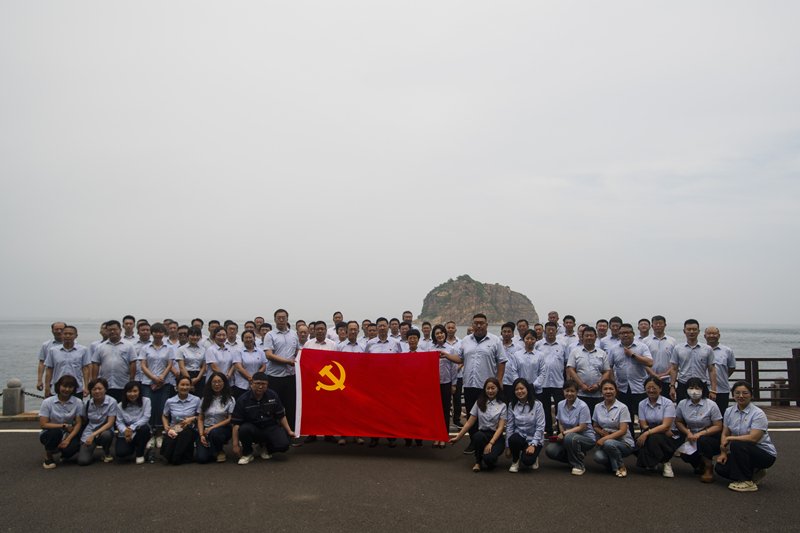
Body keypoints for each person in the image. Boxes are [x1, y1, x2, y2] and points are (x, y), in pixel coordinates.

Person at [440, 314, 506, 454]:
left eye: (482, 323)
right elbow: (460, 358)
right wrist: (446, 355)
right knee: (472, 414)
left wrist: (499, 380)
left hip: (487, 386)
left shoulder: (495, 341)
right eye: (476, 323)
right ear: (472, 324)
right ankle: (473, 442)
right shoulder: (466, 341)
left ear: (486, 325)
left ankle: (489, 441)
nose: (479, 326)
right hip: (470, 384)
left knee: (487, 414)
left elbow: (501, 361)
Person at [716, 381, 778, 492]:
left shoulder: (758, 414)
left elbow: (753, 438)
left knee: (737, 444)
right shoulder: (729, 411)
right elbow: (725, 433)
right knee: (720, 468)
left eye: (745, 393)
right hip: (743, 452)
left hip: (764, 454)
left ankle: (747, 481)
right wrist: (723, 453)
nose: (741, 396)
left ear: (751, 395)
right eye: (737, 393)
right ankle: (755, 471)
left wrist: (730, 439)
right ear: (733, 395)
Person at [231, 372, 296, 465]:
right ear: (251, 384)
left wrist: (289, 431)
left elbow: (281, 416)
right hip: (252, 428)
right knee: (244, 429)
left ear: (267, 385)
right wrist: (235, 445)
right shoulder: (243, 399)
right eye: (257, 383)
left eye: (263, 384)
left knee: (284, 445)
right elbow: (236, 423)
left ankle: (264, 447)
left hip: (270, 426)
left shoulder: (273, 395)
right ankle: (247, 453)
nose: (260, 387)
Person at [450, 378, 507, 472]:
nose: (490, 391)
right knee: (478, 436)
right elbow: (469, 422)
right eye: (488, 388)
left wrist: (491, 443)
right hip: (482, 434)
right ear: (484, 389)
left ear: (498, 389)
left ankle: (491, 459)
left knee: (489, 460)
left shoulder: (502, 405)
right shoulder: (479, 402)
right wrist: (457, 438)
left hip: (496, 437)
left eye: (493, 388)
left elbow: (500, 428)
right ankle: (478, 462)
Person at [606, 323, 653, 435]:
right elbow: (609, 366)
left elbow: (649, 362)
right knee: (626, 417)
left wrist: (633, 355)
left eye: (628, 332)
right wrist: (614, 384)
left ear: (633, 334)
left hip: (640, 388)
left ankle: (645, 438)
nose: (625, 335)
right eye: (622, 333)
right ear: (619, 335)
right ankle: (630, 439)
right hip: (622, 388)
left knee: (643, 416)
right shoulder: (614, 349)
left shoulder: (642, 347)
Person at [675, 377, 723, 483]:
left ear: (703, 389)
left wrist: (701, 433)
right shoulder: (682, 404)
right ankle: (701, 463)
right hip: (693, 437)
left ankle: (709, 468)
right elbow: (678, 421)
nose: (694, 391)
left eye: (697, 388)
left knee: (702, 440)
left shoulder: (711, 405)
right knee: (684, 455)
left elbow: (718, 426)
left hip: (711, 437)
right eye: (691, 388)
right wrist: (688, 433)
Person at [545, 379, 596, 475]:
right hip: (568, 437)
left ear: (577, 392)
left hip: (586, 438)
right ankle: (576, 456)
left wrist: (564, 433)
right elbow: (560, 422)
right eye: (567, 391)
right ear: (563, 391)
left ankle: (579, 465)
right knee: (550, 451)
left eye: (572, 391)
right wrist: (562, 433)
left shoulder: (583, 406)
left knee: (570, 438)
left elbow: (582, 427)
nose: (569, 393)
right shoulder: (560, 404)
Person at [264, 309, 300, 439]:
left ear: (287, 319)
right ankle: (273, 435)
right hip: (275, 377)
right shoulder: (270, 335)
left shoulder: (294, 334)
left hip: (290, 376)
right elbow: (268, 355)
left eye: (283, 318)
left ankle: (291, 434)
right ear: (274, 319)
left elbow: (297, 352)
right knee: (272, 406)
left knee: (291, 407)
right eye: (278, 318)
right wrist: (287, 362)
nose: (281, 320)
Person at [635, 377, 682, 477]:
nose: (651, 390)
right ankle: (653, 461)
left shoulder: (668, 403)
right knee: (637, 444)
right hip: (660, 433)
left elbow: (666, 426)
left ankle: (666, 462)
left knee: (654, 437)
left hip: (669, 437)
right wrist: (657, 430)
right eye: (648, 388)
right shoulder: (642, 404)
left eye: (654, 388)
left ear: (660, 389)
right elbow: (643, 425)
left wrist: (647, 433)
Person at [592, 379, 635, 478]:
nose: (608, 391)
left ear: (616, 390)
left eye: (611, 389)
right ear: (601, 391)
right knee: (598, 457)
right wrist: (601, 432)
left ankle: (620, 466)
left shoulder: (622, 407)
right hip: (607, 441)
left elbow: (623, 431)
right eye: (605, 389)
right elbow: (595, 426)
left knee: (609, 443)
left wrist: (604, 439)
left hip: (624, 442)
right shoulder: (597, 407)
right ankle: (613, 464)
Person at [38, 375, 83, 468]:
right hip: (50, 433)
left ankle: (65, 454)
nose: (67, 389)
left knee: (74, 446)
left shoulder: (78, 402)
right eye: (64, 386)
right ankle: (48, 458)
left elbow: (78, 423)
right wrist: (64, 426)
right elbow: (43, 424)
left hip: (68, 433)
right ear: (58, 386)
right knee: (55, 432)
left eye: (70, 387)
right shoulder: (47, 402)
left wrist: (67, 440)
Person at [669, 319, 717, 404]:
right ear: (684, 331)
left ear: (698, 331)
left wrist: (713, 389)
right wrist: (672, 386)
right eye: (689, 329)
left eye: (694, 329)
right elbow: (674, 368)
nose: (691, 332)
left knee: (703, 408)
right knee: (682, 409)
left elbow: (711, 369)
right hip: (683, 384)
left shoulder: (707, 349)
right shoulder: (678, 349)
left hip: (701, 385)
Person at [139, 323, 175, 435]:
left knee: (162, 408)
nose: (158, 334)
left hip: (164, 383)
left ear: (164, 333)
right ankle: (149, 433)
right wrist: (154, 378)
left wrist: (161, 378)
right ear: (152, 333)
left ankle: (159, 433)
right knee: (148, 408)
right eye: (155, 332)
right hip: (148, 383)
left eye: (160, 332)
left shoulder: (169, 348)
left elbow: (169, 365)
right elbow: (143, 366)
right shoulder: (145, 348)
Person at [566, 326, 612, 415]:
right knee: (581, 417)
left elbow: (606, 371)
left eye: (591, 336)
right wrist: (582, 385)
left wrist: (598, 386)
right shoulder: (575, 352)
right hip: (580, 392)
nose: (589, 338)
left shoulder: (602, 353)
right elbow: (571, 370)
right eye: (586, 336)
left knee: (598, 417)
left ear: (595, 337)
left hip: (598, 393)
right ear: (582, 337)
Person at [532, 324, 566, 435]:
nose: (550, 332)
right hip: (543, 382)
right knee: (545, 407)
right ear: (544, 331)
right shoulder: (538, 345)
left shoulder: (562, 345)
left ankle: (561, 430)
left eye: (553, 330)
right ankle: (548, 430)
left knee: (560, 407)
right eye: (548, 330)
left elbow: (566, 364)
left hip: (558, 382)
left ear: (556, 331)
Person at [91, 320, 137, 402]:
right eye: (109, 330)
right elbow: (96, 364)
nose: (112, 332)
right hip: (105, 384)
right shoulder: (100, 347)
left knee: (122, 406)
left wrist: (131, 380)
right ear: (106, 331)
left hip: (123, 383)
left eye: (115, 329)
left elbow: (132, 363)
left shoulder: (128, 346)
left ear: (120, 330)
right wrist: (94, 381)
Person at [504, 378, 545, 472]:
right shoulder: (512, 405)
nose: (519, 391)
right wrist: (508, 446)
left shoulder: (537, 405)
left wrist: (533, 445)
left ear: (527, 389)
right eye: (516, 389)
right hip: (520, 436)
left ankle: (534, 457)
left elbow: (540, 427)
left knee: (527, 461)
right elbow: (510, 426)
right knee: (513, 439)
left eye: (522, 388)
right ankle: (515, 461)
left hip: (534, 438)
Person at [160, 376, 201, 465]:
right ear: (177, 386)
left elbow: (201, 416)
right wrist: (166, 426)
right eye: (182, 385)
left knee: (185, 434)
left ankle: (176, 458)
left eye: (187, 385)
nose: (185, 387)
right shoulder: (170, 401)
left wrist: (192, 419)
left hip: (190, 428)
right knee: (171, 438)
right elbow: (164, 415)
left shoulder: (196, 400)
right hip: (175, 428)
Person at [196, 372, 235, 464]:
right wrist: (201, 435)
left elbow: (230, 419)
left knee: (214, 432)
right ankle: (211, 449)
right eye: (214, 382)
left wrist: (212, 428)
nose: (217, 384)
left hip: (222, 430)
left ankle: (219, 450)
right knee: (202, 459)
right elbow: (200, 418)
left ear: (224, 383)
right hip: (206, 429)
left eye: (219, 381)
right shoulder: (204, 399)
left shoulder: (230, 399)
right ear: (210, 383)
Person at [78, 378, 118, 466]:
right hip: (89, 432)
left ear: (105, 389)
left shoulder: (112, 402)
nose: (97, 391)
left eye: (100, 389)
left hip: (104, 431)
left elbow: (110, 423)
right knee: (83, 461)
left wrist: (93, 435)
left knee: (106, 435)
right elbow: (83, 419)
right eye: (94, 389)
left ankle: (106, 452)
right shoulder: (87, 404)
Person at [44, 325, 91, 398]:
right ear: (62, 335)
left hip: (76, 388)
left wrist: (86, 387)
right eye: (65, 334)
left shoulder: (82, 350)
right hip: (57, 388)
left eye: (70, 334)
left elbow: (85, 369)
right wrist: (47, 387)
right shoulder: (53, 351)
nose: (68, 336)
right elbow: (49, 369)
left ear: (76, 336)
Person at [431, 324, 457, 448]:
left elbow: (454, 368)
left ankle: (444, 436)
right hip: (433, 384)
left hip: (446, 383)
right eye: (437, 333)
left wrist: (454, 384)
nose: (440, 335)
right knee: (435, 411)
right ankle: (436, 436)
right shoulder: (430, 348)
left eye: (441, 333)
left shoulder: (450, 349)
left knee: (445, 410)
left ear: (445, 334)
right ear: (434, 335)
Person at [115, 381, 152, 464]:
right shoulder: (120, 405)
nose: (132, 394)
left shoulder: (146, 401)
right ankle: (132, 448)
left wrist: (131, 428)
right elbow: (119, 422)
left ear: (139, 392)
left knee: (144, 429)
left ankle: (140, 454)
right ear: (125, 393)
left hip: (140, 431)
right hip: (126, 434)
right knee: (121, 453)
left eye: (135, 391)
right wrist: (125, 431)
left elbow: (146, 417)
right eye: (129, 391)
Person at [642, 315, 677, 399]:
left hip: (667, 379)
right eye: (656, 323)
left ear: (665, 325)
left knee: (667, 402)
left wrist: (666, 373)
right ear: (652, 326)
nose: (658, 325)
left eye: (660, 323)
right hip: (650, 379)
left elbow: (675, 361)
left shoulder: (672, 341)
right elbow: (643, 361)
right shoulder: (646, 341)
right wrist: (653, 374)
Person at [705, 326, 737, 413]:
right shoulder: (701, 350)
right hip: (704, 389)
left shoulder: (727, 351)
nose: (712, 336)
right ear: (705, 336)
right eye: (709, 334)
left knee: (721, 414)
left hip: (722, 389)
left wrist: (722, 377)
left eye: (714, 334)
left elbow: (731, 367)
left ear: (719, 336)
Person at [232, 331, 267, 399]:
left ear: (254, 338)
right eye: (246, 338)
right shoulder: (238, 351)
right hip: (242, 385)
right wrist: (250, 378)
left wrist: (256, 378)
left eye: (250, 337)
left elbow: (263, 366)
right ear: (242, 339)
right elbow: (239, 368)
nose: (248, 340)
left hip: (257, 385)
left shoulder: (260, 351)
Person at [176, 326, 207, 397]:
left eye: (197, 335)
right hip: (185, 375)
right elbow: (181, 367)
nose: (195, 337)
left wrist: (198, 378)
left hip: (199, 376)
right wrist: (189, 381)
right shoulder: (181, 349)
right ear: (188, 336)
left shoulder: (203, 349)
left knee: (200, 397)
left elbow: (203, 366)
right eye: (192, 335)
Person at [37, 322, 65, 393]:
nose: (59, 331)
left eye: (61, 329)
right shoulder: (46, 345)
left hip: (70, 381)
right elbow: (42, 362)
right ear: (52, 331)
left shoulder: (75, 345)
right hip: (52, 381)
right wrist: (39, 380)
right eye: (56, 329)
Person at [444, 322, 463, 427]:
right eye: (448, 328)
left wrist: (458, 367)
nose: (450, 329)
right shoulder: (442, 343)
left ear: (455, 330)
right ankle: (445, 419)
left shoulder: (461, 342)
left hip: (458, 375)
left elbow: (463, 357)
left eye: (452, 328)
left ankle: (456, 419)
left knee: (457, 398)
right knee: (446, 399)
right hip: (446, 376)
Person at [499, 322, 518, 402]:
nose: (506, 334)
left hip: (512, 382)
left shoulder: (518, 348)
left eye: (509, 332)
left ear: (512, 334)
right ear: (501, 333)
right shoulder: (497, 346)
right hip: (500, 382)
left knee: (512, 404)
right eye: (504, 332)